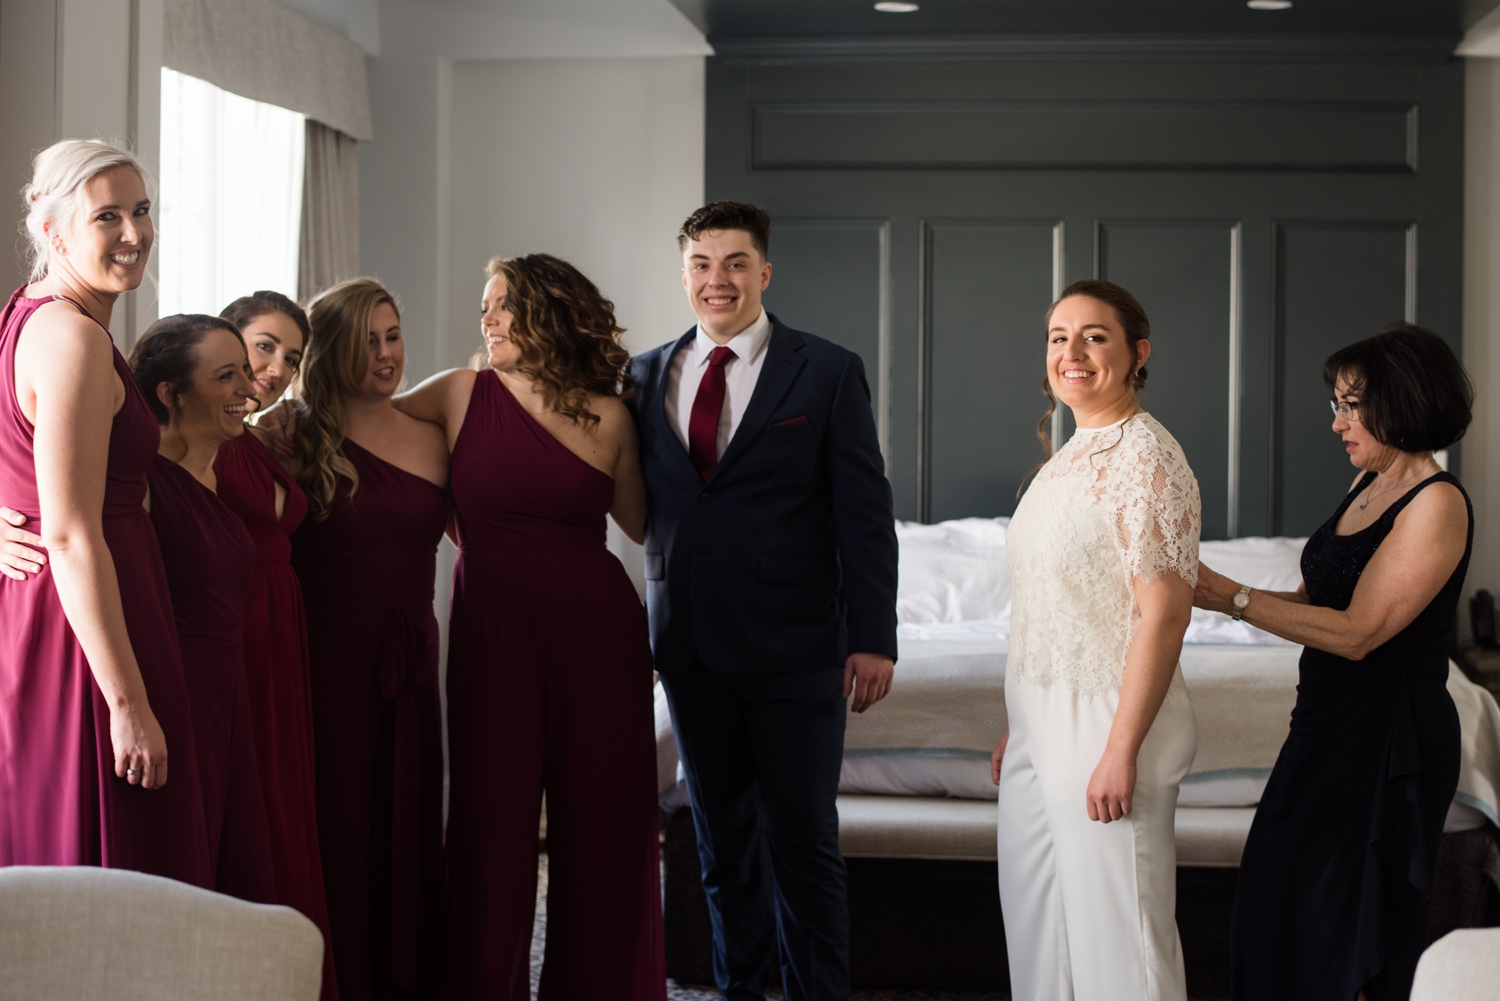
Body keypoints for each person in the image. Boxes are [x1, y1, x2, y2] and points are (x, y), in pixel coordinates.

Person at [630, 201, 898, 1001]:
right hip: (690, 649)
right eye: (703, 265)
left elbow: (863, 511)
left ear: (764, 273)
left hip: (797, 647)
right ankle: (738, 989)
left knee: (804, 842)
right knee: (721, 846)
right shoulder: (643, 375)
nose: (719, 281)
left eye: (736, 263)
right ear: (684, 275)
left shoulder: (825, 369)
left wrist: (873, 634)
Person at [395, 254, 662, 999]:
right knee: (490, 824)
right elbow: (362, 426)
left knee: (603, 827)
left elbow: (642, 525)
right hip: (493, 631)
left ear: (549, 310)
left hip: (598, 635)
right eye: (485, 305)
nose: (487, 317)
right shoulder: (458, 393)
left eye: (504, 304)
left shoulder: (610, 415)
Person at [1192, 323, 1473, 1001]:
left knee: (1346, 923)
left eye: (1351, 405)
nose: (1337, 422)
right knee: (1275, 897)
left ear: (1400, 402)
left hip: (1389, 738)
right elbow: (1314, 602)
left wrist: (1224, 593)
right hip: (1324, 725)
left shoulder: (1437, 502)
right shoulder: (1366, 482)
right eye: (1337, 405)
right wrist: (1204, 598)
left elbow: (1357, 633)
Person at [0, 139, 211, 885]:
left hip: (63, 608)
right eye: (107, 217)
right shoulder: (72, 340)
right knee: (109, 857)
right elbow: (68, 531)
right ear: (54, 234)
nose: (133, 233)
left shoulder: (25, 318)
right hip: (85, 624)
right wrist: (126, 700)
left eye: (142, 210)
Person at [991, 279, 1200, 1001]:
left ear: (1137, 353)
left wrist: (1119, 749)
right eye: (1058, 337)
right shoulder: (1066, 458)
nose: (1071, 352)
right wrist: (1018, 724)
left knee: (1123, 942)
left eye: (1094, 336)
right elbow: (1051, 603)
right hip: (1038, 724)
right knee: (1040, 925)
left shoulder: (1147, 458)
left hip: (1110, 719)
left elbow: (1165, 613)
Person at [264, 278, 447, 1000]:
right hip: (326, 655)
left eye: (393, 334)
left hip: (411, 653)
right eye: (367, 340)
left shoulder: (435, 432)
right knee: (336, 822)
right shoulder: (286, 432)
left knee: (406, 822)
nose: (385, 354)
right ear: (332, 349)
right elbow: (181, 476)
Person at [215, 291, 339, 1000]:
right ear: (226, 336)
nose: (275, 368)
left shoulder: (268, 435)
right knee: (243, 796)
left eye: (290, 358)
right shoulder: (180, 426)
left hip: (281, 630)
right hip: (228, 625)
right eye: (264, 346)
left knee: (280, 795)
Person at [130, 313, 277, 902]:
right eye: (227, 376)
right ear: (171, 393)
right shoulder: (138, 477)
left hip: (227, 692)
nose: (249, 388)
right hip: (175, 692)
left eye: (246, 371)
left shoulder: (217, 470)